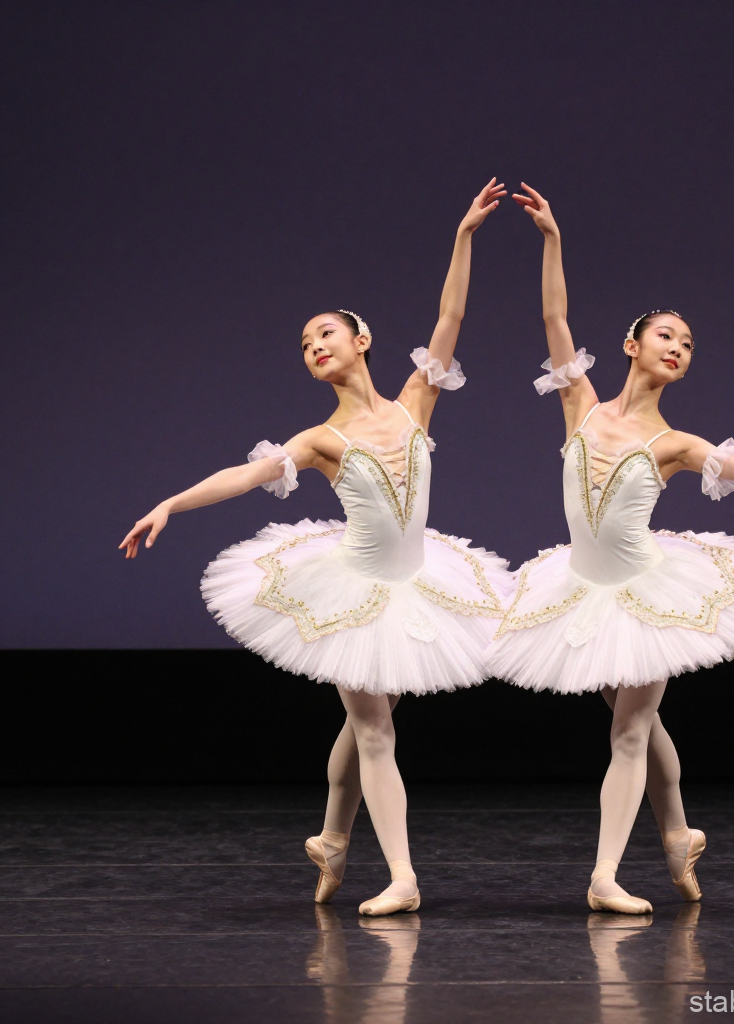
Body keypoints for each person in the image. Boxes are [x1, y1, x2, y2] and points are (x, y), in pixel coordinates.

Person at [487, 184, 734, 915]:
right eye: (667, 335)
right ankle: (678, 834)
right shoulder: (580, 404)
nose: (678, 347)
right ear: (632, 346)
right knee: (633, 715)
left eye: (689, 343)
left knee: (631, 727)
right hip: (582, 588)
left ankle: (605, 874)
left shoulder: (675, 444)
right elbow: (553, 316)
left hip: (645, 592)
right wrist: (551, 240)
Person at [120, 179, 512, 916]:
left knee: (366, 717)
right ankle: (402, 876)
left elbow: (451, 314)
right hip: (355, 589)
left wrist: (464, 235)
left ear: (360, 341)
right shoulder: (320, 439)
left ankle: (333, 839)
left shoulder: (415, 403)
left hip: (419, 583)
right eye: (304, 346)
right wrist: (171, 501)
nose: (313, 348)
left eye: (323, 334)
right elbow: (248, 474)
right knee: (373, 725)